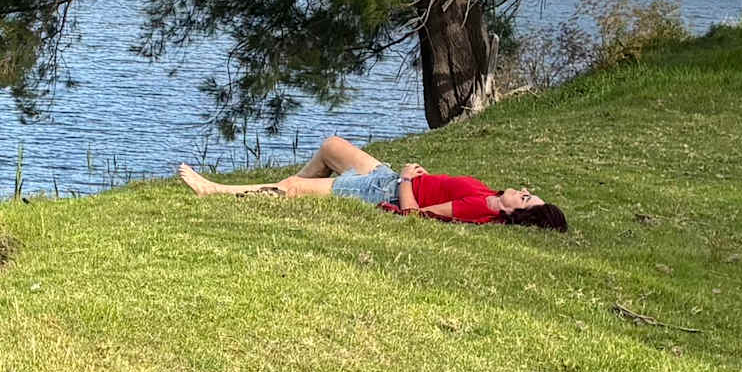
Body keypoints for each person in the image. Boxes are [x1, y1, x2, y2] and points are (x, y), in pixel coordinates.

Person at [178, 136, 568, 230]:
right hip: (387, 176)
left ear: (517, 211)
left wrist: (404, 181)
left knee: (294, 189)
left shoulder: (481, 208)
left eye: (527, 197)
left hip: (382, 189)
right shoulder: (490, 197)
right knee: (332, 147)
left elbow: (412, 214)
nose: (522, 189)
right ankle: (284, 187)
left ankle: (214, 190)